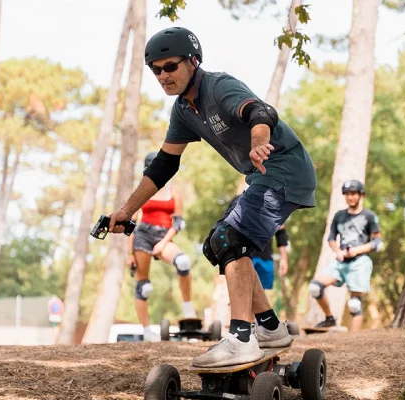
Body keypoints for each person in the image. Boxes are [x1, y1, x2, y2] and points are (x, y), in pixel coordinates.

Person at [108, 27, 317, 368]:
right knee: (217, 244)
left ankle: (241, 338)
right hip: (263, 176)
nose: (163, 75)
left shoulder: (218, 86)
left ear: (193, 61)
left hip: (283, 170)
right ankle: (270, 328)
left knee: (232, 239)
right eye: (155, 69)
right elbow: (163, 165)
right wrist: (126, 210)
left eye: (170, 66)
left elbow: (260, 112)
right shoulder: (183, 111)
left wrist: (257, 143)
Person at [126, 152, 196, 343]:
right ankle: (147, 330)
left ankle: (188, 307)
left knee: (183, 262)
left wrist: (163, 243)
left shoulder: (174, 192)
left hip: (164, 235)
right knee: (144, 287)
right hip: (143, 235)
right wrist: (130, 253)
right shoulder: (142, 190)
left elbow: (178, 223)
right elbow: (130, 226)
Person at [309, 180, 384, 332]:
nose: (350, 197)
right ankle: (330, 319)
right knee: (315, 287)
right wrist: (337, 251)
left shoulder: (369, 216)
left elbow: (378, 242)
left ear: (361, 195)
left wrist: (357, 250)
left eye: (353, 194)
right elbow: (331, 238)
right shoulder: (339, 215)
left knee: (354, 304)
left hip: (360, 261)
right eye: (347, 194)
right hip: (341, 261)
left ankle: (354, 338)